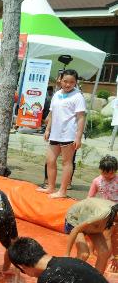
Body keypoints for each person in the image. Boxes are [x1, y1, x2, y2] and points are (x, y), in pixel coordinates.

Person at [40, 70, 86, 199]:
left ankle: (63, 190)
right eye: (65, 81)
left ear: (76, 82)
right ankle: (50, 187)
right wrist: (48, 129)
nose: (68, 84)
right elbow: (52, 114)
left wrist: (78, 137)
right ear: (60, 80)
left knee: (67, 162)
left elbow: (81, 117)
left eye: (72, 82)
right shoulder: (57, 94)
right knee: (50, 160)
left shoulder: (78, 96)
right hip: (55, 133)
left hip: (69, 134)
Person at [64, 198, 118, 275]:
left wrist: (116, 258)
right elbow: (75, 230)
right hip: (76, 219)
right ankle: (69, 275)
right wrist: (66, 254)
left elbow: (115, 238)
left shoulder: (114, 216)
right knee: (84, 253)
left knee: (104, 253)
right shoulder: (103, 214)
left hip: (93, 223)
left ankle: (97, 281)